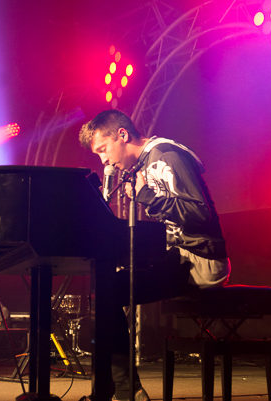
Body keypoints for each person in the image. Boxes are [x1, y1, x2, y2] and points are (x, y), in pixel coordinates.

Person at [78, 109, 231, 401]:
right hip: (179, 256)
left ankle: (124, 391)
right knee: (107, 288)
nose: (103, 160)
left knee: (110, 291)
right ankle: (117, 389)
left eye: (103, 149)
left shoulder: (166, 155)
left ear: (122, 135)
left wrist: (147, 196)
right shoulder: (145, 164)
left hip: (200, 260)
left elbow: (200, 213)